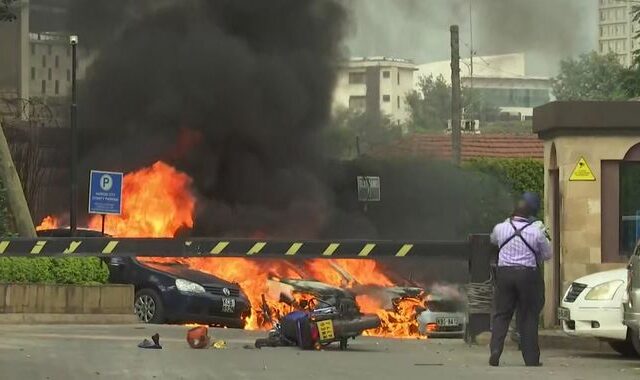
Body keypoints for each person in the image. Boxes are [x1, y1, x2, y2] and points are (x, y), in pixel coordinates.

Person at [489, 192, 552, 367]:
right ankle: (531, 358)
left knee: (502, 314)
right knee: (528, 316)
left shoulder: (500, 228)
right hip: (527, 276)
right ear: (530, 214)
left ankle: (495, 350)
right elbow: (548, 255)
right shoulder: (536, 232)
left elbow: (493, 241)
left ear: (514, 212)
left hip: (505, 275)